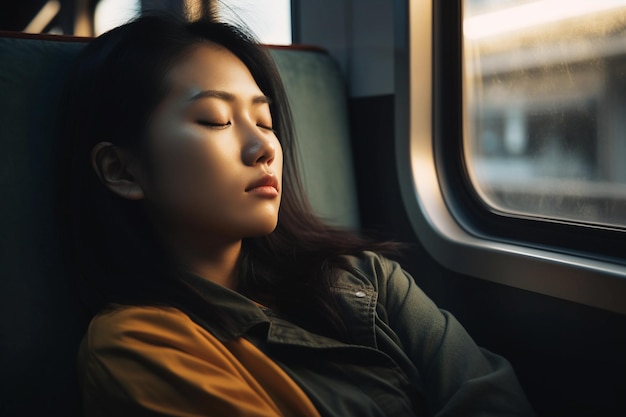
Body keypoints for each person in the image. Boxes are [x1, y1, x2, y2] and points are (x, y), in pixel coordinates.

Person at [65, 13, 535, 417]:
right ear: (121, 170)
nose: (264, 147)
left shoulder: (362, 278)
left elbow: (489, 395)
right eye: (214, 120)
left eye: (265, 122)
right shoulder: (137, 345)